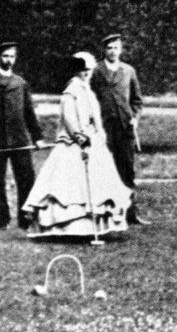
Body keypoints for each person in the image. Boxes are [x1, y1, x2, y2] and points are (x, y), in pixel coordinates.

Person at [22, 52, 132, 237]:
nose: (86, 73)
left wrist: (99, 134)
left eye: (88, 70)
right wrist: (80, 137)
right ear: (76, 72)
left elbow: (95, 116)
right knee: (69, 188)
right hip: (74, 144)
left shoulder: (88, 91)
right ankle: (68, 226)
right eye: (82, 70)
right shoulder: (70, 92)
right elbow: (70, 119)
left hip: (93, 142)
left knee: (100, 184)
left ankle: (97, 226)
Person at [0, 41, 43, 231]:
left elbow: (29, 113)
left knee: (26, 180)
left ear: (16, 58)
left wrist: (37, 137)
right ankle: (2, 220)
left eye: (12, 56)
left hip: (20, 140)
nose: (9, 60)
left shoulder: (21, 84)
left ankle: (25, 220)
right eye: (5, 56)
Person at [90, 33, 147, 225]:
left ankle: (130, 213)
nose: (113, 51)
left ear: (121, 50)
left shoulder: (128, 70)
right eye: (109, 48)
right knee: (105, 168)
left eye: (116, 47)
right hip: (104, 128)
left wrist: (135, 119)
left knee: (127, 170)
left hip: (125, 128)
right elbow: (89, 99)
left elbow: (137, 101)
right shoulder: (95, 71)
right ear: (104, 50)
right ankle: (106, 213)